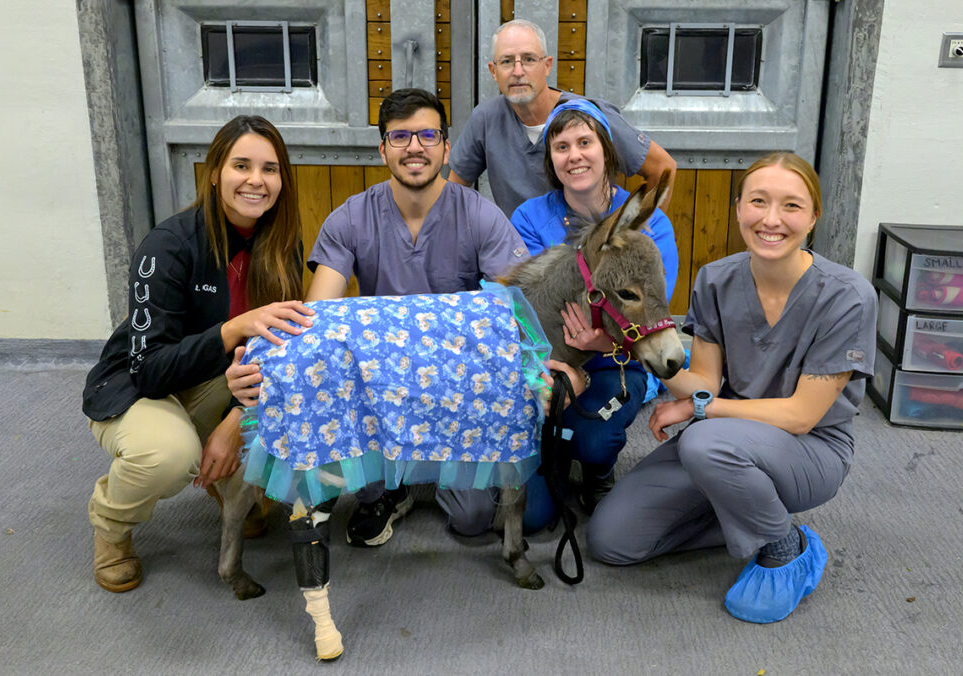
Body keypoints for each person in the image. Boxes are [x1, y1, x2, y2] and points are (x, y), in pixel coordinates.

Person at [225, 88, 537, 546]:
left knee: (473, 518)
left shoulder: (481, 217)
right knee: (339, 428)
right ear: (383, 149)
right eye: (400, 137)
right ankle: (386, 492)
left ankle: (422, 474)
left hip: (455, 387)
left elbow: (516, 312)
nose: (415, 147)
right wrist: (255, 386)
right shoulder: (351, 218)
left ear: (446, 147)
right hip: (377, 385)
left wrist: (546, 367)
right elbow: (317, 321)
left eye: (428, 135)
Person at [586, 152, 877, 623]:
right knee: (612, 539)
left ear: (813, 217)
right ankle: (745, 507)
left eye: (791, 206)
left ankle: (785, 546)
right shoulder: (716, 279)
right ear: (739, 208)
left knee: (701, 442)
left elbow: (801, 415)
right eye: (758, 201)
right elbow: (702, 382)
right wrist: (633, 343)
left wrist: (699, 410)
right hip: (723, 444)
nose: (771, 219)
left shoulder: (847, 297)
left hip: (810, 450)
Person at [82, 116, 316, 592]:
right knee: (170, 455)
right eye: (241, 165)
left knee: (304, 396)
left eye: (270, 169)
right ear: (214, 173)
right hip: (140, 387)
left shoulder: (281, 243)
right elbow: (149, 370)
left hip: (220, 382)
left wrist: (233, 425)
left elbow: (278, 352)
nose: (256, 180)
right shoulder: (167, 246)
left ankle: (229, 484)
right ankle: (112, 524)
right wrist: (233, 328)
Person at [509, 98, 679, 530]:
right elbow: (528, 308)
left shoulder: (652, 225)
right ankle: (552, 452)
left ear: (606, 149)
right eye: (561, 147)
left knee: (593, 439)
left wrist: (606, 344)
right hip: (548, 362)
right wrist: (563, 370)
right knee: (532, 517)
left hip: (616, 361)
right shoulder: (529, 217)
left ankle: (596, 469)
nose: (574, 155)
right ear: (551, 160)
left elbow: (654, 315)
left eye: (585, 142)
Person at [448, 19, 677, 218]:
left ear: (547, 65)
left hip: (586, 247)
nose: (518, 71)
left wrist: (638, 235)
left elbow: (662, 167)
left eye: (529, 59)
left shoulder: (588, 116)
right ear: (493, 71)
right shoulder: (486, 119)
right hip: (522, 248)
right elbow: (454, 193)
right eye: (507, 61)